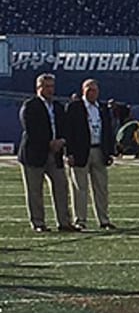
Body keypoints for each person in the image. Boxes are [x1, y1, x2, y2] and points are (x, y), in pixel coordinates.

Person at [18, 74, 74, 232]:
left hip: (54, 154)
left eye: (51, 86)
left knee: (61, 187)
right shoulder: (30, 105)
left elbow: (64, 126)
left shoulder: (57, 106)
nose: (50, 90)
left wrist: (61, 141)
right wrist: (48, 143)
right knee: (35, 191)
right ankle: (38, 223)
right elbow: (31, 129)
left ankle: (64, 222)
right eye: (46, 86)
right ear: (38, 88)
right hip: (34, 154)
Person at [64, 78, 117, 231]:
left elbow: (108, 130)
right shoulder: (75, 107)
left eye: (94, 90)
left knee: (101, 188)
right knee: (79, 188)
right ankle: (80, 220)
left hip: (99, 150)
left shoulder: (102, 108)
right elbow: (69, 131)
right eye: (89, 89)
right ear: (83, 91)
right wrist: (69, 153)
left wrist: (110, 151)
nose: (92, 93)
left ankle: (104, 219)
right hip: (81, 152)